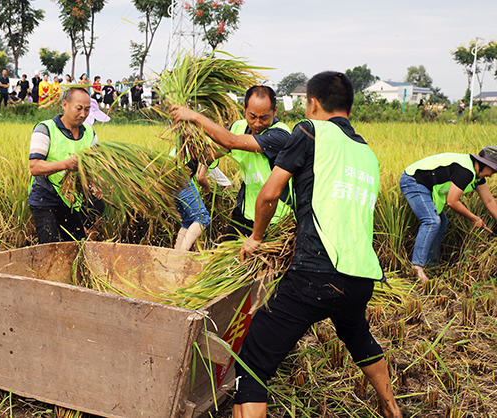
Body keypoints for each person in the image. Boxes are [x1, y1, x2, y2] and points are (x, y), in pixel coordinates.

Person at [236, 71, 402, 418]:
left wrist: (256, 238)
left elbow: (269, 194)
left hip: (315, 273)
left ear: (312, 103)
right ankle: (391, 408)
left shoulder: (310, 131)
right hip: (361, 277)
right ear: (350, 106)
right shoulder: (366, 153)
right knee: (359, 339)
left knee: (252, 362)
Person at [171, 85, 291, 240]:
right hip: (246, 211)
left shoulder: (280, 135)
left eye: (264, 117)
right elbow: (208, 155)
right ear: (244, 109)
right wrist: (188, 131)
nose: (257, 123)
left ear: (274, 112)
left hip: (275, 217)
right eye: (252, 116)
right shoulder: (239, 126)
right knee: (224, 257)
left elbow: (232, 142)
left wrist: (195, 116)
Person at [400, 147, 497, 283]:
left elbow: (489, 201)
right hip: (412, 181)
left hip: (427, 186)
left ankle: (431, 264)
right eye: (493, 170)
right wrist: (474, 218)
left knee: (442, 222)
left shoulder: (477, 175)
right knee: (432, 221)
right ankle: (417, 267)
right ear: (484, 164)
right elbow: (452, 201)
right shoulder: (465, 171)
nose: (492, 174)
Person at [28, 87, 101, 244]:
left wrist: (93, 184)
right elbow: (35, 167)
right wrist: (66, 164)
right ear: (65, 105)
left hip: (72, 200)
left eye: (87, 109)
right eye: (79, 108)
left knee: (78, 247)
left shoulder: (89, 133)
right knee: (50, 248)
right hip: (45, 197)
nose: (83, 114)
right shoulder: (45, 129)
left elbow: (93, 165)